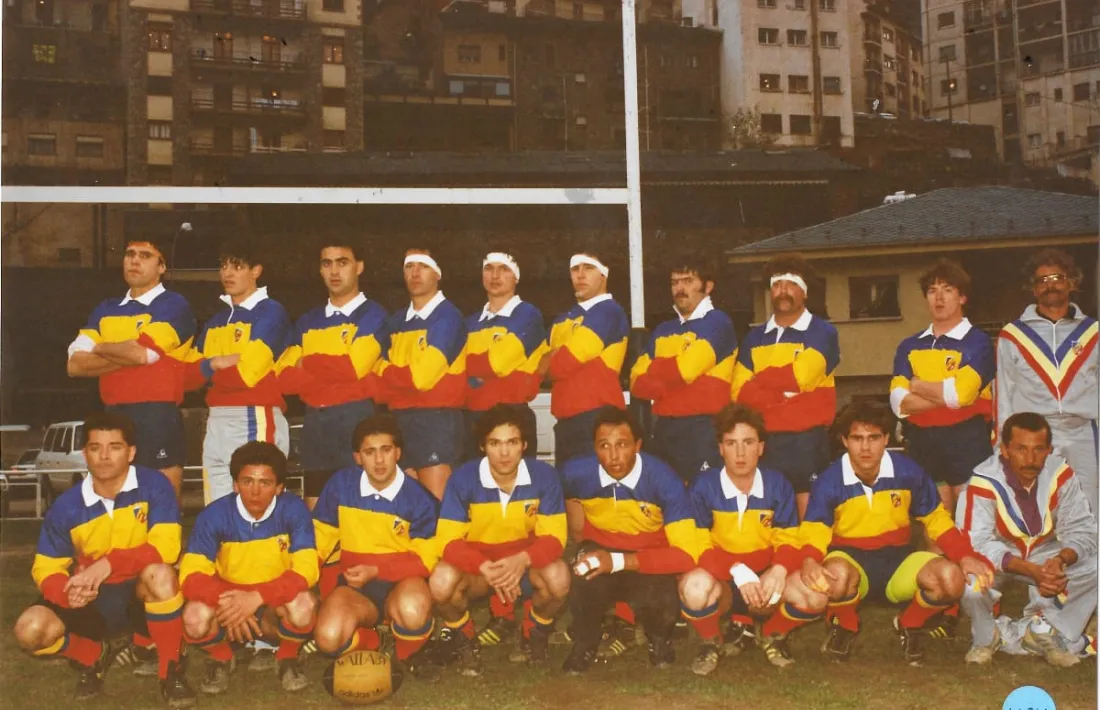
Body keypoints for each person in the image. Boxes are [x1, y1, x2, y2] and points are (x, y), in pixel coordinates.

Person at [786, 402, 994, 665]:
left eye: (873, 438)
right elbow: (815, 529)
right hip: (851, 564)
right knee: (834, 577)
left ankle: (909, 622)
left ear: (886, 439)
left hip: (897, 562)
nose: (865, 447)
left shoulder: (907, 471)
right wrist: (808, 559)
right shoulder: (830, 479)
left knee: (951, 579)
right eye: (857, 438)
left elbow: (936, 518)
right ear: (844, 441)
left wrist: (964, 555)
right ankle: (846, 624)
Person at [12, 412, 194, 707]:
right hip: (93, 596)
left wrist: (108, 563)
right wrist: (66, 591)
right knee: (30, 629)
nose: (105, 456)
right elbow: (46, 566)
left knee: (161, 573)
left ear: (131, 452)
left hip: (140, 592)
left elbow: (167, 548)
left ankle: (169, 671)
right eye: (96, 448)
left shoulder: (154, 487)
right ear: (85, 454)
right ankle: (92, 655)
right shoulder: (66, 506)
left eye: (115, 447)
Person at [431, 404, 570, 675]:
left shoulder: (544, 476)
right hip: (480, 571)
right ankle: (464, 637)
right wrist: (485, 567)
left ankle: (534, 632)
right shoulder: (463, 479)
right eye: (495, 443)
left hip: (524, 567)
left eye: (512, 442)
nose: (504, 452)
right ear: (483, 446)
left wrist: (522, 560)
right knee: (441, 581)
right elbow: (447, 542)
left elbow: (555, 538)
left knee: (559, 577)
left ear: (524, 445)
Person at [679, 404, 816, 674]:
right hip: (724, 579)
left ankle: (772, 633)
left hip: (765, 579)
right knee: (693, 587)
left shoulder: (778, 484)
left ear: (761, 447)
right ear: (720, 448)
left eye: (748, 442)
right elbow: (698, 543)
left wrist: (778, 569)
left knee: (815, 595)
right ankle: (711, 642)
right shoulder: (704, 486)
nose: (740, 453)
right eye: (731, 443)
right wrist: (737, 570)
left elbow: (788, 537)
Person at [559, 407, 697, 675]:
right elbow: (558, 497)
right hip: (602, 551)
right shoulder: (575, 472)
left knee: (661, 590)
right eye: (604, 446)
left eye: (622, 445)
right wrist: (583, 547)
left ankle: (658, 638)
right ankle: (586, 641)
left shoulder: (664, 479)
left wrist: (621, 561)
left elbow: (686, 555)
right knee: (582, 568)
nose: (613, 456)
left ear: (638, 445)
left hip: (646, 557)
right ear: (594, 448)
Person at [958, 412, 1098, 667]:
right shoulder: (983, 480)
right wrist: (1032, 571)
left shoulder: (1061, 473)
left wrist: (1060, 559)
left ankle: (1044, 630)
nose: (1030, 459)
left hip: (1044, 552)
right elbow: (975, 543)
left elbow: (1084, 530)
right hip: (1000, 556)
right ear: (1005, 449)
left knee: (1095, 565)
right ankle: (987, 636)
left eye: (1038, 449)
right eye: (1021, 449)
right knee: (971, 583)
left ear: (1049, 450)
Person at [179, 441, 319, 694]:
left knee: (305, 605)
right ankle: (221, 657)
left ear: (279, 487)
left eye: (264, 483)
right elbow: (190, 574)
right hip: (229, 602)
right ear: (235, 484)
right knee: (193, 617)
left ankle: (286, 657)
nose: (255, 491)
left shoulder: (293, 510)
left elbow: (307, 569)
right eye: (247, 481)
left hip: (272, 604)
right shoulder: (214, 515)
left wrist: (256, 597)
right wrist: (230, 603)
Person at [311, 414, 442, 681]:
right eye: (370, 452)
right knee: (328, 638)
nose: (379, 460)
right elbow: (320, 538)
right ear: (358, 457)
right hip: (357, 588)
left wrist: (377, 569)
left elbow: (427, 559)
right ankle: (373, 642)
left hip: (403, 583)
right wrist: (302, 577)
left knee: (413, 610)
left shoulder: (419, 499)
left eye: (386, 450)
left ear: (398, 453)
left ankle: (408, 652)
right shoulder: (341, 486)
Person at [66, 235, 196, 502]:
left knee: (161, 502)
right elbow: (74, 365)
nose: (135, 260)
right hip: (112, 414)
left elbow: (140, 355)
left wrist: (100, 346)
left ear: (162, 267)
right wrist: (125, 351)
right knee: (117, 502)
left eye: (145, 255)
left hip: (157, 413)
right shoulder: (106, 308)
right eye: (129, 254)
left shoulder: (174, 305)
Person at [276, 239, 388, 510]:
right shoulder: (307, 320)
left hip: (356, 419)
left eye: (343, 262)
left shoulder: (373, 314)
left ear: (359, 267)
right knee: (317, 512)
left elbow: (354, 367)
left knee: (361, 510)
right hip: (316, 424)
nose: (334, 271)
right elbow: (283, 378)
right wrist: (334, 364)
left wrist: (308, 361)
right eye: (327, 264)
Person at [186, 237, 292, 507]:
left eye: (237, 266)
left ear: (256, 271)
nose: (228, 273)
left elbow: (247, 374)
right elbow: (188, 377)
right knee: (218, 507)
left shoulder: (271, 312)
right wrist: (215, 364)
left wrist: (210, 369)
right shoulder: (216, 320)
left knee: (257, 505)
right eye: (223, 266)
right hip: (216, 420)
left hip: (253, 414)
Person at [731, 255, 839, 518]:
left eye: (790, 284)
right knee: (771, 509)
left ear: (804, 291)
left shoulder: (823, 332)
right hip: (767, 441)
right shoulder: (754, 337)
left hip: (807, 441)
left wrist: (761, 384)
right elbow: (738, 392)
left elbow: (802, 376)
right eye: (777, 284)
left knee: (809, 513)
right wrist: (784, 396)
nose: (782, 291)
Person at [890, 259, 994, 516]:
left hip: (966, 440)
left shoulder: (978, 342)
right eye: (932, 290)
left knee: (970, 521)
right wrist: (945, 396)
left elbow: (962, 394)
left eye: (947, 289)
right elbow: (899, 403)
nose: (939, 297)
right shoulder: (909, 345)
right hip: (922, 442)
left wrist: (918, 385)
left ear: (962, 297)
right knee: (934, 523)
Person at [997, 248, 1098, 511]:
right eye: (1042, 280)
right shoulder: (1012, 336)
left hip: (1083, 433)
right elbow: (1004, 394)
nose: (1050, 285)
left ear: (1071, 283)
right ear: (1033, 289)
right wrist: (1004, 444)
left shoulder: (1093, 332)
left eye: (1057, 277)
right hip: (1034, 436)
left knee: (1088, 507)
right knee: (1039, 508)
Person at [631, 254, 736, 483]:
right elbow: (636, 381)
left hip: (703, 430)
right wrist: (680, 379)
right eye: (675, 282)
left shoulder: (718, 322)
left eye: (688, 281)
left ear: (708, 286)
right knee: (666, 503)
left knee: (700, 502)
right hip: (664, 431)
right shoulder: (661, 330)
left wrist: (658, 375)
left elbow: (687, 369)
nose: (680, 288)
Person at [375, 249, 467, 500]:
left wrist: (388, 372)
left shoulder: (448, 318)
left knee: (436, 504)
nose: (415, 273)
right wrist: (395, 376)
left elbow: (422, 378)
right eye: (409, 267)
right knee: (409, 507)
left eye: (423, 266)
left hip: (436, 421)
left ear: (437, 273)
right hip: (401, 421)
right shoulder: (395, 322)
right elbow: (375, 379)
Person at [546, 250, 629, 469]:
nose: (580, 275)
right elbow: (541, 366)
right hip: (565, 421)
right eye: (575, 269)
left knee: (597, 494)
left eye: (589, 268)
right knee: (570, 494)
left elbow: (562, 363)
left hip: (599, 419)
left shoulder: (609, 311)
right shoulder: (563, 318)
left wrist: (556, 354)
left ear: (604, 275)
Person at [463, 250, 547, 459]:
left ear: (516, 276)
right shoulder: (470, 322)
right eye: (489, 268)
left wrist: (474, 366)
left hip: (513, 417)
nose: (495, 275)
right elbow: (455, 368)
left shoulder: (528, 315)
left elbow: (497, 363)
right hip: (473, 419)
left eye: (504, 269)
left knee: (518, 490)